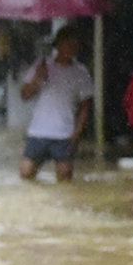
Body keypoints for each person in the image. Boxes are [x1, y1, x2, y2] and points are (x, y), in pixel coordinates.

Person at [20, 26, 94, 182]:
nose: (73, 47)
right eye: (69, 43)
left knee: (65, 179)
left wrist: (76, 134)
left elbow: (85, 107)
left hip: (64, 135)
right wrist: (37, 79)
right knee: (26, 174)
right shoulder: (41, 66)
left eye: (76, 44)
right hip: (37, 132)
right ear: (59, 44)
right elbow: (24, 95)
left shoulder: (81, 72)